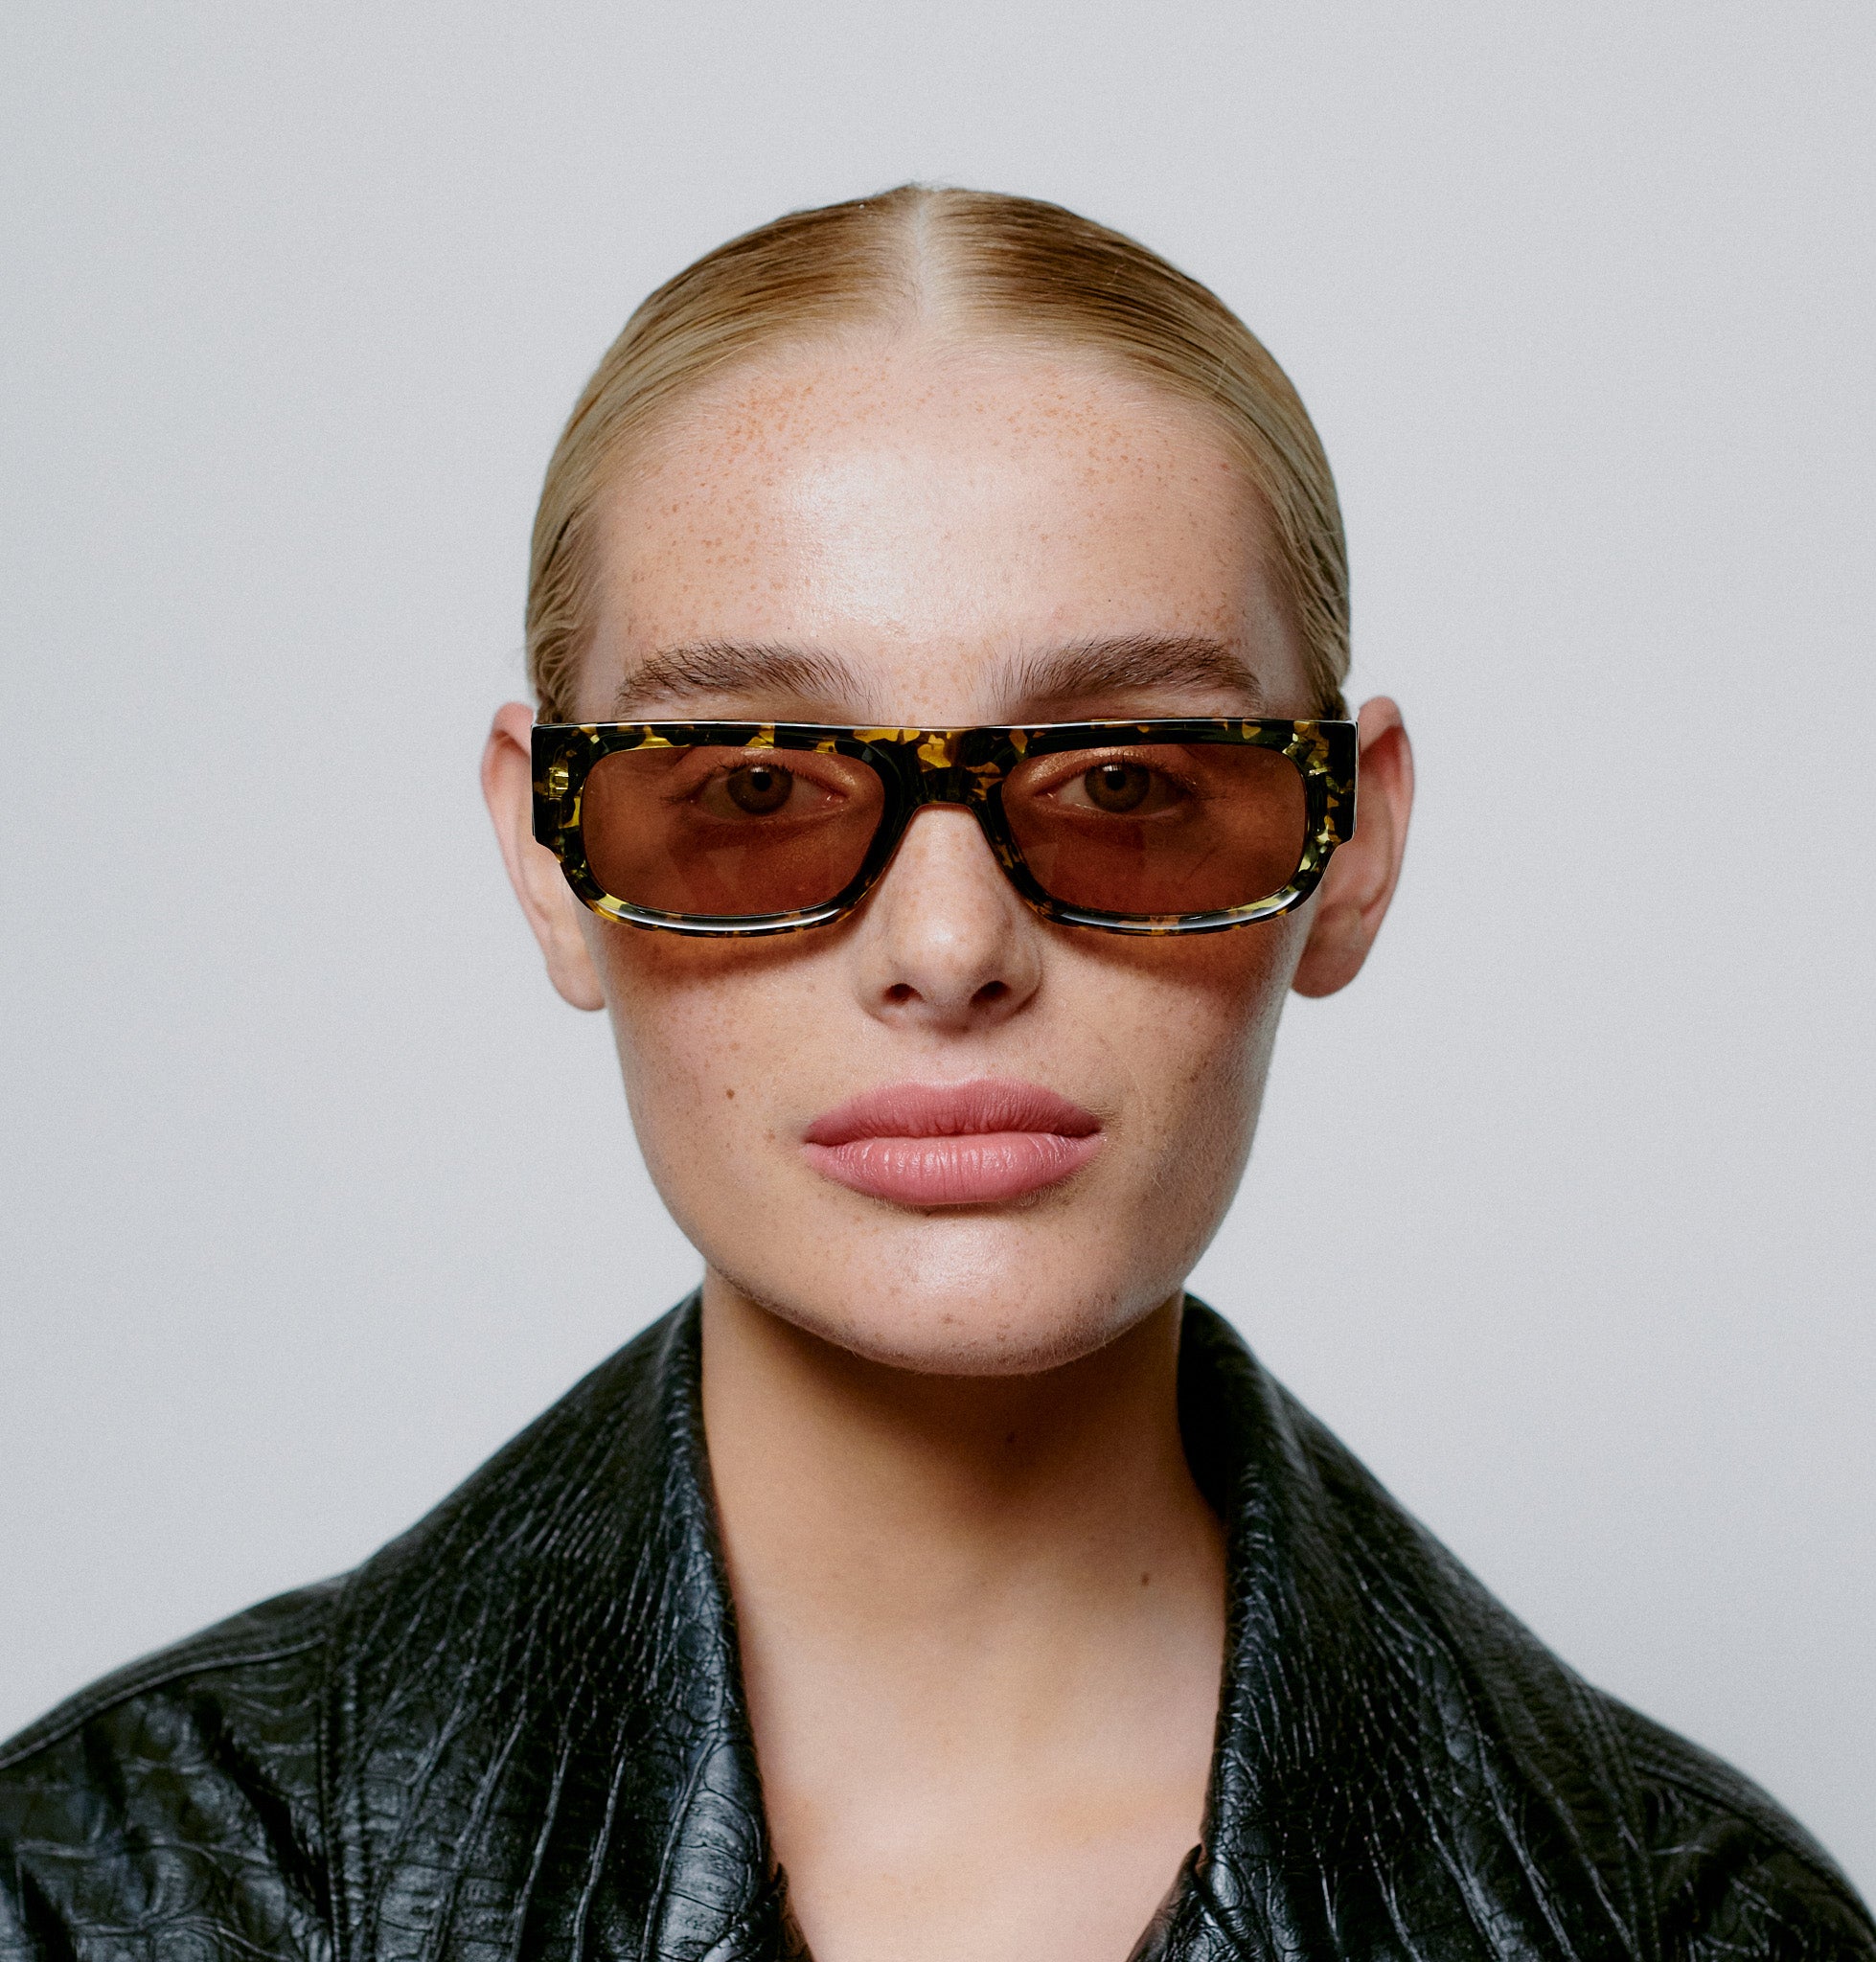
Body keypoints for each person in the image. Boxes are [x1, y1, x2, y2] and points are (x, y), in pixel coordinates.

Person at [1, 185, 1868, 1962]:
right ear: (550, 860)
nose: (953, 944)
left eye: (1126, 779)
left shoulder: (1701, 1927)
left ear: (1348, 847)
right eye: (751, 787)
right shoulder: (104, 1893)